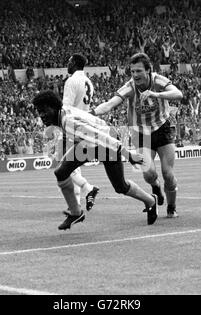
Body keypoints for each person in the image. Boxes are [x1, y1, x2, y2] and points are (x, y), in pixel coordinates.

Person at [33, 90, 158, 230]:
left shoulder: (68, 122)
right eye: (39, 111)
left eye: (44, 110)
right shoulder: (63, 113)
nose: (41, 115)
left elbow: (101, 137)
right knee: (61, 172)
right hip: (89, 144)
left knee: (120, 186)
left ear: (54, 107)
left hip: (106, 142)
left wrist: (128, 155)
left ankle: (151, 200)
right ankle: (76, 213)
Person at [90, 53, 183, 218]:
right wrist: (92, 113)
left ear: (148, 70)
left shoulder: (158, 81)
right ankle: (155, 186)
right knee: (149, 174)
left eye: (139, 71)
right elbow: (111, 104)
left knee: (168, 174)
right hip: (140, 132)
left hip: (162, 127)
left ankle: (171, 207)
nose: (135, 75)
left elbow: (178, 94)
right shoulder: (130, 87)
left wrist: (156, 94)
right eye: (132, 71)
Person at [62, 53, 99, 211]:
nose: (68, 64)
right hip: (85, 125)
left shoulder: (71, 81)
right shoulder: (88, 81)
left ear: (75, 63)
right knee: (74, 166)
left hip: (73, 126)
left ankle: (88, 188)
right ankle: (75, 204)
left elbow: (67, 108)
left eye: (69, 61)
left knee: (64, 167)